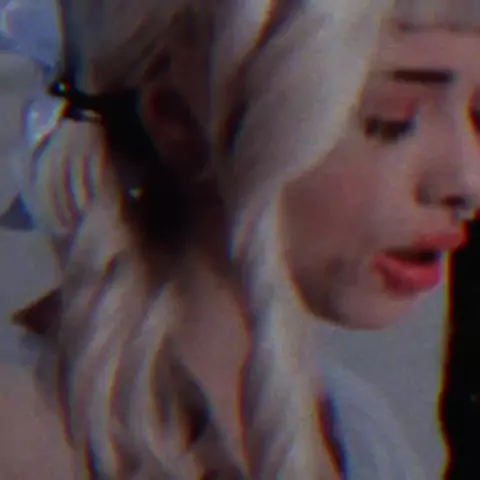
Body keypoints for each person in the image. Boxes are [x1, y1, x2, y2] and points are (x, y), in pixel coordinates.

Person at [1, 0, 480, 478]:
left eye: (478, 117)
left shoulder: (356, 433)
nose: (466, 181)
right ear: (180, 121)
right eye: (391, 121)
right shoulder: (23, 435)